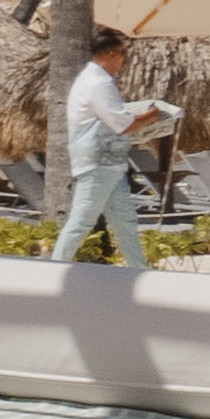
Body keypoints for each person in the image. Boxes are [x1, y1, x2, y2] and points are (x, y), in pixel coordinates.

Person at [56, 28, 169, 269]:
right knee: (81, 221)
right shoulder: (99, 82)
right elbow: (122, 124)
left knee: (125, 221)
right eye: (122, 54)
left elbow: (113, 118)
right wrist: (151, 116)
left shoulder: (91, 79)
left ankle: (139, 269)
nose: (123, 59)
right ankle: (55, 267)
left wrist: (140, 116)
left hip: (110, 164)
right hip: (99, 162)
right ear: (110, 54)